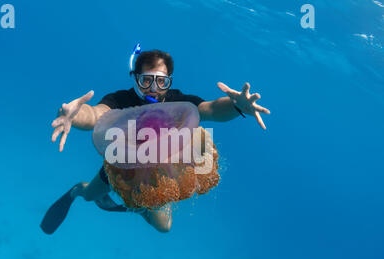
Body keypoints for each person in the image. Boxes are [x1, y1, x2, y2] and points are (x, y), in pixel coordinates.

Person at [40, 48, 270, 235]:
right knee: (90, 195)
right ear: (135, 78)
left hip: (161, 170)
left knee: (163, 227)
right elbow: (97, 114)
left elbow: (210, 109)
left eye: (161, 82)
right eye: (146, 81)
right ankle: (78, 190)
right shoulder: (121, 99)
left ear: (169, 82)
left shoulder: (178, 101)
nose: (153, 89)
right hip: (119, 165)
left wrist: (237, 106)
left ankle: (138, 206)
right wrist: (76, 115)